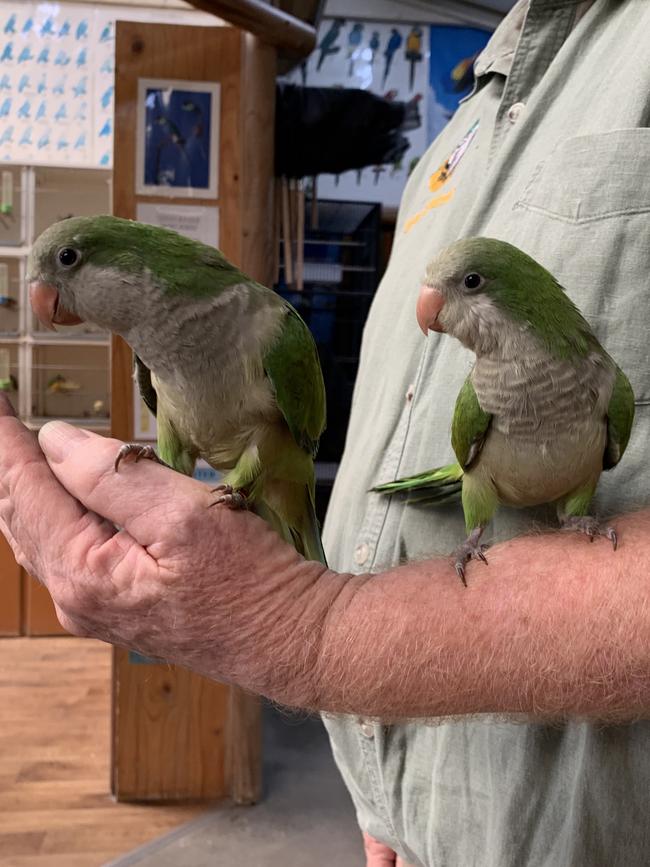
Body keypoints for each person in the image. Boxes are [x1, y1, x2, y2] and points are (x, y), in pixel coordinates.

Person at [1, 1, 650, 865]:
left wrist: (310, 632)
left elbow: (298, 449)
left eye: (68, 268)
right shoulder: (469, 116)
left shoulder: (263, 328)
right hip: (417, 813)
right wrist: (392, 785)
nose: (51, 297)